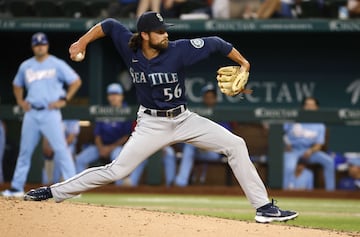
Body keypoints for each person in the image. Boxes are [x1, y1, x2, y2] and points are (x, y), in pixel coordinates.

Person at [24, 11, 298, 223]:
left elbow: (216, 43)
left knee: (235, 144)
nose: (164, 35)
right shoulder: (128, 45)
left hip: (184, 119)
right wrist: (81, 41)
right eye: (158, 32)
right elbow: (108, 25)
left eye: (165, 30)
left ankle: (263, 208)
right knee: (117, 170)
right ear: (144, 35)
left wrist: (244, 62)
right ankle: (53, 191)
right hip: (151, 123)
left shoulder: (178, 50)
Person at [1, 32, 81, 197]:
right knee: (25, 151)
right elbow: (17, 84)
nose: (40, 47)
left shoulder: (56, 64)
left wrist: (64, 99)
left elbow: (76, 81)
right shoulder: (26, 66)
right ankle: (16, 188)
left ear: (47, 46)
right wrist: (20, 100)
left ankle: (73, 188)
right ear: (33, 47)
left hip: (50, 112)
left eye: (42, 44)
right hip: (32, 113)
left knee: (61, 149)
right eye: (37, 45)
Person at [74, 83, 138, 185]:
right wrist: (101, 148)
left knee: (118, 160)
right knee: (80, 159)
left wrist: (109, 148)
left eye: (116, 94)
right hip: (100, 146)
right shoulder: (104, 111)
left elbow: (126, 136)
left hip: (118, 147)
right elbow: (97, 134)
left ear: (121, 96)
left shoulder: (126, 110)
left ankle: (119, 189)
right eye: (111, 94)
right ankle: (78, 188)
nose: (113, 97)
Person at [174, 84, 232, 186]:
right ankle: (181, 184)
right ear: (203, 98)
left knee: (191, 147)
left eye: (211, 97)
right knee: (189, 146)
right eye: (207, 97)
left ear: (215, 99)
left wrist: (208, 145)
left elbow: (226, 138)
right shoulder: (197, 114)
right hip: (197, 148)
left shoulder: (221, 114)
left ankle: (182, 182)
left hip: (214, 152)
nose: (209, 99)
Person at [283, 97, 335, 191]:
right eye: (307, 105)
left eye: (312, 105)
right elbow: (280, 132)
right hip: (293, 150)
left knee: (329, 162)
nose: (310, 108)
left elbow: (319, 145)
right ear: (303, 107)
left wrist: (311, 151)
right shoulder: (294, 118)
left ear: (316, 108)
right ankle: (285, 192)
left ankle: (330, 192)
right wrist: (286, 143)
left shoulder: (320, 125)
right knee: (289, 167)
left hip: (309, 151)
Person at [42, 119, 80, 184]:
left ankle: (69, 185)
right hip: (51, 147)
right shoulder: (53, 115)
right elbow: (47, 133)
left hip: (66, 146)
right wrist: (45, 145)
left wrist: (55, 148)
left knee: (61, 156)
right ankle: (51, 185)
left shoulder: (73, 118)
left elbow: (71, 138)